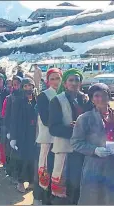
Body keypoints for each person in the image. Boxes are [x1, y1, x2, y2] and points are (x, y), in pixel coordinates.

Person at [70, 83, 114, 205]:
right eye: (96, 96)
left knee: (113, 198)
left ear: (109, 96)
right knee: (93, 198)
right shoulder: (84, 118)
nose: (101, 99)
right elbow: (76, 142)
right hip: (94, 166)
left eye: (104, 95)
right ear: (92, 99)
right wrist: (94, 150)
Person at [49, 69, 89, 205]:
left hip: (85, 149)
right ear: (65, 84)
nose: (74, 83)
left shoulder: (86, 99)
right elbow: (53, 128)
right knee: (67, 188)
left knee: (82, 186)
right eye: (70, 80)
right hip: (67, 150)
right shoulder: (57, 100)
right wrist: (74, 130)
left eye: (77, 80)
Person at [36, 68, 63, 205]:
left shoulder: (66, 94)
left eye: (57, 78)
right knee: (48, 168)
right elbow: (46, 119)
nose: (55, 82)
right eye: (52, 79)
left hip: (64, 139)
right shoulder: (43, 96)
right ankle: (45, 199)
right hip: (49, 139)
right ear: (47, 81)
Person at [10, 78, 37, 193]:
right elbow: (14, 120)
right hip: (22, 135)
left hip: (34, 134)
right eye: (25, 86)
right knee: (22, 159)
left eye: (30, 86)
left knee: (33, 159)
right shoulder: (18, 101)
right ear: (22, 88)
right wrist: (13, 137)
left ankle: (31, 182)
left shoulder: (37, 100)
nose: (28, 88)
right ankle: (20, 182)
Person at [3, 76, 22, 182]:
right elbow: (7, 117)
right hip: (13, 131)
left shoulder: (28, 97)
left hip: (24, 131)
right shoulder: (10, 98)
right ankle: (13, 175)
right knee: (13, 154)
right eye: (14, 84)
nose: (16, 86)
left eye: (18, 84)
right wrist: (10, 132)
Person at [0, 79, 12, 166]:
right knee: (4, 142)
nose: (10, 88)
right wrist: (5, 115)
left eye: (12, 85)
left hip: (14, 124)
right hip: (4, 123)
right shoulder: (0, 96)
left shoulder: (18, 95)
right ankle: (4, 161)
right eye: (8, 86)